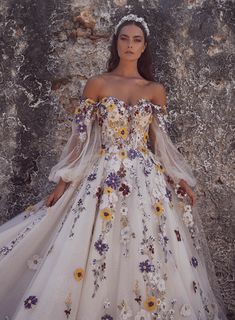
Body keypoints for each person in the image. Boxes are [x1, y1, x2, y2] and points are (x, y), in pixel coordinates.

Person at [0, 13, 228, 320]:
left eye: (136, 40)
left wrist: (178, 179)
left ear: (144, 46)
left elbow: (160, 144)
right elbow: (80, 140)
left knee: (146, 243)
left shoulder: (155, 90)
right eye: (124, 38)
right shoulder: (97, 84)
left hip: (146, 178)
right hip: (103, 174)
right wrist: (63, 183)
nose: (130, 45)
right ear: (116, 42)